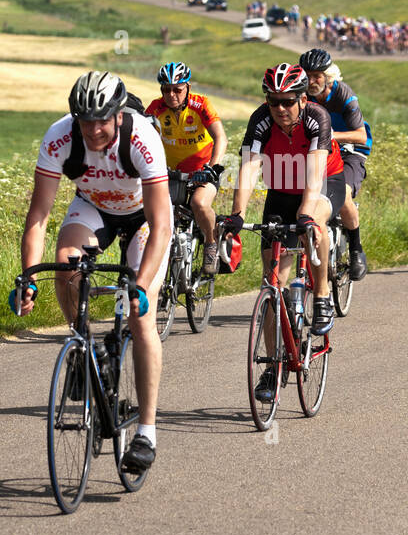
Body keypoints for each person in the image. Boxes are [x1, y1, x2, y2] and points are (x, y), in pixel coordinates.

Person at [16, 70, 172, 473]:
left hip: (144, 220)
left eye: (102, 120)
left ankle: (146, 433)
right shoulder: (60, 137)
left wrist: (139, 286)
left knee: (141, 316)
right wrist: (28, 276)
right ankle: (85, 347)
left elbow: (162, 224)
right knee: (67, 264)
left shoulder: (142, 138)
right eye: (86, 121)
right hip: (95, 207)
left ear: (118, 116)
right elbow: (38, 217)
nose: (95, 129)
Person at [222, 65, 346, 398]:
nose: (279, 109)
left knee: (313, 225)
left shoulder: (317, 118)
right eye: (273, 101)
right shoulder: (261, 120)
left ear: (303, 99)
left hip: (323, 182)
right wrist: (237, 215)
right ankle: (271, 369)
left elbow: (315, 171)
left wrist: (305, 215)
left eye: (287, 102)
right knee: (271, 283)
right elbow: (249, 167)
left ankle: (320, 299)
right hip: (281, 188)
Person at [145, 62, 228, 274]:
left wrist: (213, 166)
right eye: (166, 89)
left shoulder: (201, 105)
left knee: (199, 203)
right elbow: (142, 139)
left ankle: (210, 243)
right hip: (173, 173)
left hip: (204, 169)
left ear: (187, 87)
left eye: (177, 89)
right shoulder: (155, 109)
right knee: (158, 210)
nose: (171, 94)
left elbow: (220, 137)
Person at [300, 48, 369, 279]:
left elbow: (360, 135)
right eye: (307, 75)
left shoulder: (343, 94)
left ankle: (356, 249)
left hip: (351, 150)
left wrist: (328, 135)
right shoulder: (303, 95)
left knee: (344, 193)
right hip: (320, 151)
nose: (311, 81)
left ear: (327, 76)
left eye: (317, 76)